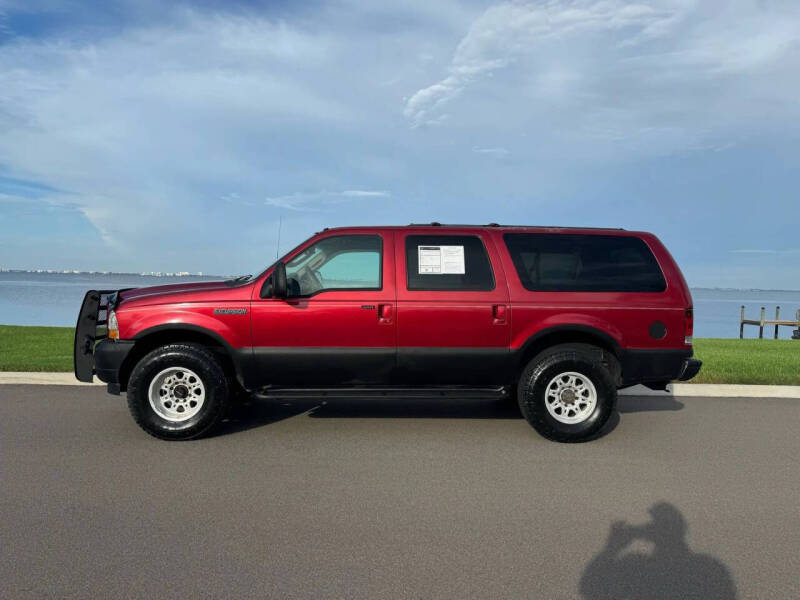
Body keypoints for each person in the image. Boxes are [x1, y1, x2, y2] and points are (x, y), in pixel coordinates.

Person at [580, 502, 737, 600]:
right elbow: (591, 589)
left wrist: (612, 548)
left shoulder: (639, 569)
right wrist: (611, 548)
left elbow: (591, 588)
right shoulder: (707, 568)